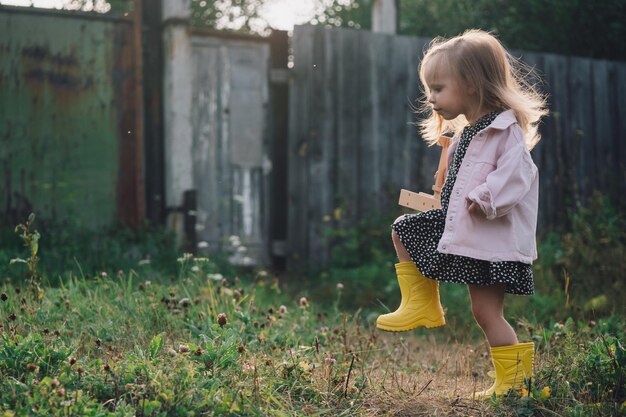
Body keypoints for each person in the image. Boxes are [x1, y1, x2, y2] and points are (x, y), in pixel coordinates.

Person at [375, 29, 548, 398]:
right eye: (429, 90)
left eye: (438, 88)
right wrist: (441, 195)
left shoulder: (505, 130)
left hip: (491, 238)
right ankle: (421, 304)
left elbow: (518, 176)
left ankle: (514, 386)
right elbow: (455, 183)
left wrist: (485, 198)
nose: (431, 98)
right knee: (404, 228)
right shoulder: (467, 133)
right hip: (471, 231)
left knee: (488, 314)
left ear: (471, 83)